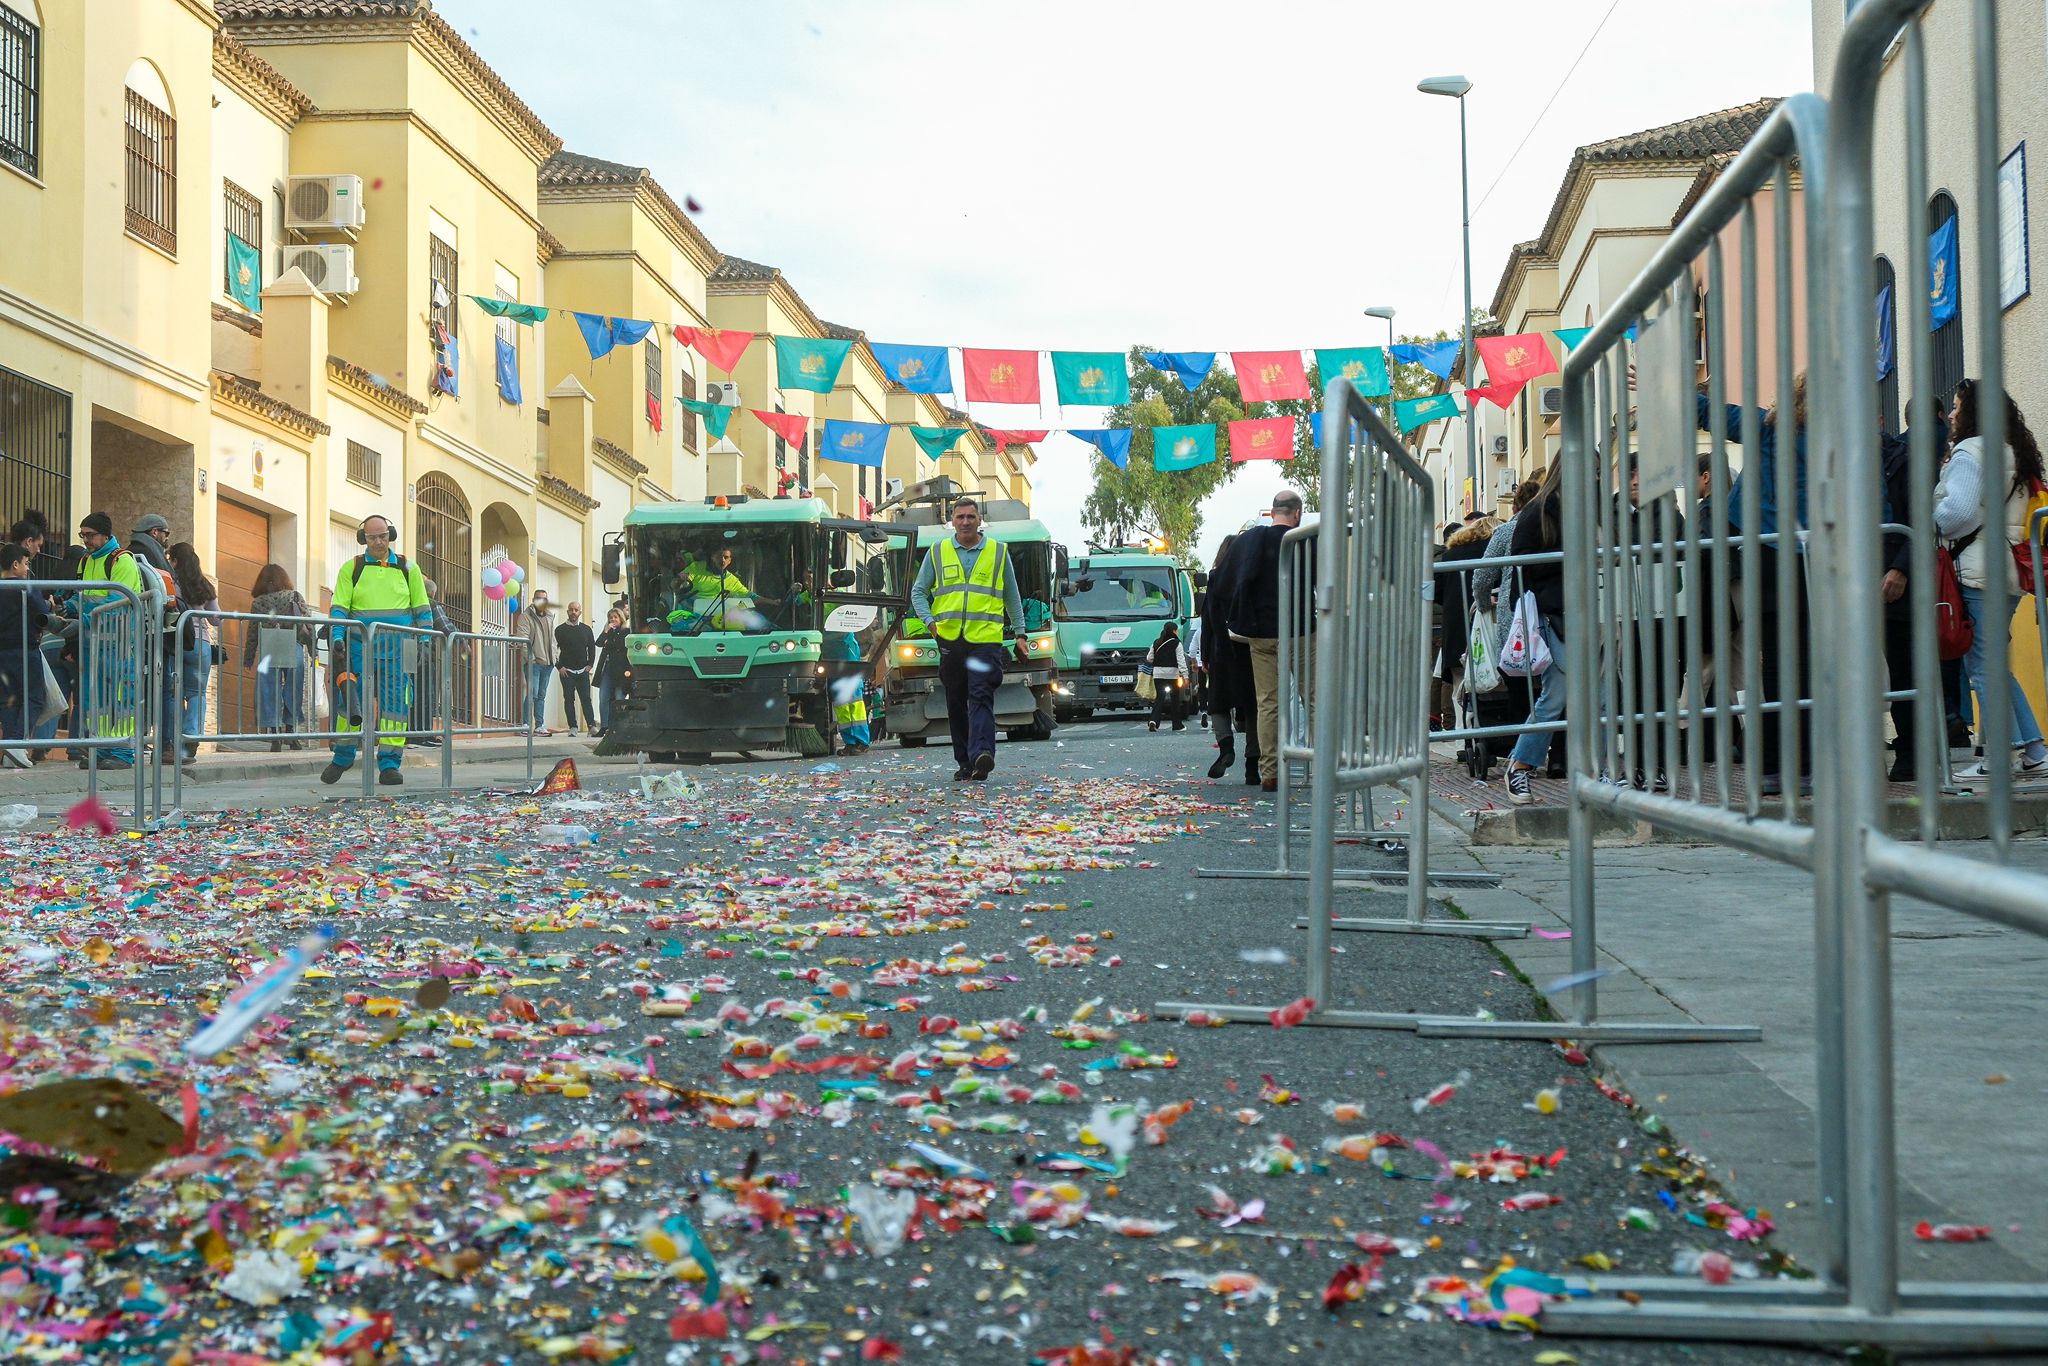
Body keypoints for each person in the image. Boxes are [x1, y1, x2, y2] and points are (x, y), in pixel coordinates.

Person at [1697, 374, 1811, 797]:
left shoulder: (1769, 428)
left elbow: (1708, 412)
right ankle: (1805, 763)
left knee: (1777, 663)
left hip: (1766, 552)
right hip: (1816, 557)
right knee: (1808, 663)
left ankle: (1775, 766)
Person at [1934, 378, 2048, 782]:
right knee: (1997, 665)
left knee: (1982, 667)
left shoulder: (1970, 452)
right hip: (2010, 572)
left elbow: (1959, 513)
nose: (1951, 413)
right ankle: (2034, 750)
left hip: (1978, 572)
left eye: (1957, 405)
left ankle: (2001, 758)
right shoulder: (2014, 451)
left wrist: (1932, 513)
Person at [909, 496, 1027, 781]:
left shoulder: (999, 553)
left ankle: (983, 754)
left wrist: (1021, 634)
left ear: (979, 520)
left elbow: (1012, 596)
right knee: (955, 702)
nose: (964, 522)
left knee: (981, 696)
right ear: (952, 520)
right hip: (950, 641)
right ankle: (965, 762)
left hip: (985, 641)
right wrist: (930, 623)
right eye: (960, 517)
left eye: (970, 517)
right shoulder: (937, 552)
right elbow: (918, 592)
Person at [323, 514, 432, 786]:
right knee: (350, 701)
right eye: (372, 537)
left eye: (383, 536)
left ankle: (389, 764)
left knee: (396, 706)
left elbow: (422, 608)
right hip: (360, 645)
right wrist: (337, 637)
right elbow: (339, 607)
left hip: (398, 647)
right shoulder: (352, 568)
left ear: (390, 535)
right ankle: (343, 755)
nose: (378, 542)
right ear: (363, 539)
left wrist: (425, 641)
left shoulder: (408, 568)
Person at [1209, 489, 1307, 793]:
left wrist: (1241, 613)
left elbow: (1221, 582)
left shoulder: (1251, 540)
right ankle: (1324, 763)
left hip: (1259, 633)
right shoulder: (1302, 541)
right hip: (1299, 630)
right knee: (1312, 697)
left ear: (1271, 510)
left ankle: (1269, 772)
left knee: (1267, 703)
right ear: (1297, 514)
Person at [1877, 398, 1947, 781]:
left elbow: (1924, 516)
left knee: (1906, 669)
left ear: (1881, 419)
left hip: (1896, 580)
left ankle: (1915, 753)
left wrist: (1900, 569)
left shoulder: (1905, 458)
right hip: (1854, 581)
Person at [1502, 467, 1566, 806]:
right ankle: (1521, 763)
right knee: (1558, 693)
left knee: (1600, 695)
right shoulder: (1539, 512)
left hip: (1593, 609)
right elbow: (1522, 564)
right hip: (1554, 613)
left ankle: (1606, 773)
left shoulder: (1598, 508)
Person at [72, 512, 140, 768]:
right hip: (94, 642)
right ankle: (100, 749)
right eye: (83, 535)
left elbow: (117, 600)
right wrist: (68, 607)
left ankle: (122, 753)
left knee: (119, 698)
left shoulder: (121, 561)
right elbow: (84, 595)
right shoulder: (86, 560)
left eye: (90, 535)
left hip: (118, 643)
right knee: (95, 699)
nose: (86, 540)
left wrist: (86, 620)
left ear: (105, 534)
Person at [1200, 534, 1260, 783]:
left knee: (1218, 705)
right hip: (1248, 648)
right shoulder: (1252, 577)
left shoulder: (1215, 579)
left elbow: (1207, 620)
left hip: (1221, 650)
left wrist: (1205, 655)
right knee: (1254, 706)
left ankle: (1226, 749)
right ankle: (1252, 765)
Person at [246, 562, 313, 751]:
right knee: (293, 689)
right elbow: (308, 620)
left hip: (269, 646)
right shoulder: (294, 596)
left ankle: (275, 735)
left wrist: (248, 658)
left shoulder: (258, 603)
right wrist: (313, 648)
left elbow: (252, 631)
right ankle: (291, 733)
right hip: (293, 644)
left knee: (269, 690)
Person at [167, 541, 218, 761]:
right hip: (201, 644)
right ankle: (191, 740)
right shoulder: (204, 585)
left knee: (173, 693)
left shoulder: (171, 583)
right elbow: (216, 619)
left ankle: (173, 739)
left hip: (176, 643)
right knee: (197, 693)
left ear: (176, 561)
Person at [0, 544, 50, 765]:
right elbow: (43, 612)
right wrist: (50, 605)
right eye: (26, 563)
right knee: (34, 697)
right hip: (25, 650)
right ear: (15, 564)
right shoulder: (26, 587)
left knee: (8, 701)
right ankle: (17, 743)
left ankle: (11, 750)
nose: (28, 568)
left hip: (2, 652)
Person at [555, 600, 598, 737]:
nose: (573, 612)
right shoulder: (559, 630)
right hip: (566, 672)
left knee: (586, 699)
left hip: (582, 672)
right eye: (571, 609)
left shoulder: (586, 630)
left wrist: (590, 665)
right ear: (567, 611)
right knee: (569, 700)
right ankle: (573, 726)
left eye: (576, 610)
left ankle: (591, 726)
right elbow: (553, 650)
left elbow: (591, 648)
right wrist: (559, 667)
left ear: (580, 612)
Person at [519, 589, 559, 736]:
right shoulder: (526, 616)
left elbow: (552, 639)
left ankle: (539, 725)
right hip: (534, 663)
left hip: (548, 663)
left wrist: (555, 656)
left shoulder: (549, 616)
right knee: (532, 694)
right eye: (538, 598)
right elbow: (523, 639)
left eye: (544, 599)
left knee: (541, 696)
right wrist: (531, 658)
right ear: (533, 600)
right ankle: (525, 724)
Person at [1145, 620, 1189, 732]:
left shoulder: (1156, 642)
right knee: (1175, 699)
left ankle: (1153, 720)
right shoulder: (1176, 643)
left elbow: (1149, 658)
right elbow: (1181, 661)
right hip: (1172, 674)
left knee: (1160, 698)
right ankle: (1177, 724)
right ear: (1174, 631)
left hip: (1158, 674)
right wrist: (1185, 676)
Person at [594, 606, 629, 738]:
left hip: (620, 670)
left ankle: (619, 726)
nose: (613, 619)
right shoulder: (609, 632)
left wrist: (609, 643)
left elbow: (619, 645)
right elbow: (598, 643)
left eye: (615, 617)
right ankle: (604, 726)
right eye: (610, 618)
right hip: (607, 669)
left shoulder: (626, 632)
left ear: (620, 618)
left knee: (619, 698)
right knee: (603, 697)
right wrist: (605, 632)